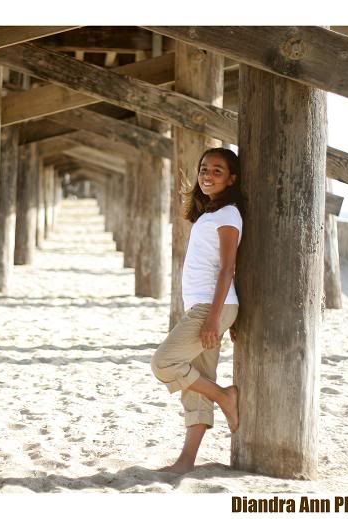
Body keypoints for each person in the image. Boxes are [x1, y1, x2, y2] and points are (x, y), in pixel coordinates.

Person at [150, 147, 243, 474]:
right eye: (204, 169)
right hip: (206, 306)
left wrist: (215, 318)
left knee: (164, 363)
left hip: (210, 307)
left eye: (218, 171)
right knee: (196, 384)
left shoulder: (228, 214)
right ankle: (186, 461)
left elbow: (228, 268)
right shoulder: (211, 214)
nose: (207, 175)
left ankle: (223, 396)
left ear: (231, 179)